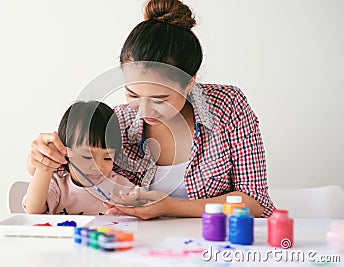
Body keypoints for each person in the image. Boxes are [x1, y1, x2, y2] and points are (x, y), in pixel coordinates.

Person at [26, 0, 275, 219]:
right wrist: (40, 158)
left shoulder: (228, 106)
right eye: (133, 94)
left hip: (219, 243)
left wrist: (170, 207)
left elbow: (254, 201)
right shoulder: (119, 122)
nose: (144, 110)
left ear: (190, 82)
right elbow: (69, 169)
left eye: (159, 99)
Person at [23, 101, 139, 215]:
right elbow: (34, 210)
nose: (97, 167)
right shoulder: (58, 185)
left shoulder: (120, 187)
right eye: (87, 157)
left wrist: (130, 208)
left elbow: (143, 209)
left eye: (108, 158)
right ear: (64, 151)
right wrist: (47, 164)